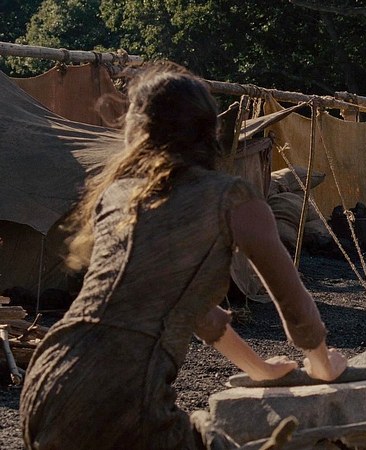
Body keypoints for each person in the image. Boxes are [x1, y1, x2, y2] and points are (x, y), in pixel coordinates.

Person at [19, 64, 348, 449]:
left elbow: (196, 311)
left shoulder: (119, 195)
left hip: (47, 378)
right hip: (124, 392)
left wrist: (261, 369)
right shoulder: (233, 199)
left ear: (137, 130)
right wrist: (323, 365)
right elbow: (295, 307)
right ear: (209, 131)